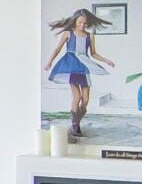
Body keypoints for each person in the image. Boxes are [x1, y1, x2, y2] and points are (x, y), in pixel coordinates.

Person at [42, 8, 116, 138]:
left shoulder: (90, 36)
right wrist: (50, 62)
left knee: (85, 99)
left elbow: (93, 54)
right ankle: (75, 125)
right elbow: (58, 49)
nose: (82, 25)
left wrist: (106, 60)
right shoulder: (68, 33)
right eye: (80, 22)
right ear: (75, 21)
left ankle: (77, 120)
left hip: (84, 67)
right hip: (72, 66)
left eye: (85, 23)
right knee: (77, 97)